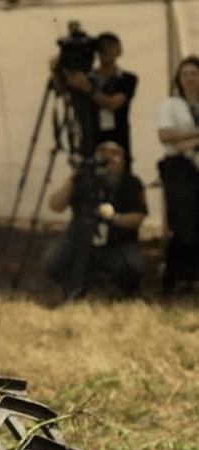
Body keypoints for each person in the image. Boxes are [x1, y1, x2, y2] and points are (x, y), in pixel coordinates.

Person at [43, 141, 147, 301]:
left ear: (124, 160)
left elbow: (138, 217)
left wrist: (114, 218)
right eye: (103, 151)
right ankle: (73, 284)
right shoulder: (82, 180)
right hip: (79, 238)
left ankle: (111, 286)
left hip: (117, 241)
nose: (108, 156)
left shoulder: (131, 183)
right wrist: (74, 179)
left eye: (115, 153)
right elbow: (55, 206)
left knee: (135, 267)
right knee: (51, 259)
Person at [53, 31, 137, 163]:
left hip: (117, 140)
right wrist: (58, 72)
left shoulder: (127, 79)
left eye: (111, 46)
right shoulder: (87, 77)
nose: (106, 51)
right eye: (102, 47)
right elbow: (64, 94)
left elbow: (113, 104)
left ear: (119, 50)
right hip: (90, 140)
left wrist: (87, 89)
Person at [157, 55, 199, 295]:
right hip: (178, 167)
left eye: (194, 73)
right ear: (179, 78)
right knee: (182, 221)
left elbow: (178, 138)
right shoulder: (170, 104)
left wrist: (188, 139)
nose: (190, 78)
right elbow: (165, 136)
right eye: (185, 74)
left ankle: (193, 276)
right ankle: (174, 274)